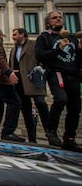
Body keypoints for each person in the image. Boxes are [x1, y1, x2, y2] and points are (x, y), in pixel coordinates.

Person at [35, 11, 82, 152]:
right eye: (54, 18)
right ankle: (51, 130)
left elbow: (78, 58)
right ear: (48, 23)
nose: (58, 19)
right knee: (61, 99)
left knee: (75, 108)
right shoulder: (45, 37)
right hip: (56, 73)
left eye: (60, 17)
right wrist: (58, 50)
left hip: (73, 75)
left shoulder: (73, 38)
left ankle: (69, 138)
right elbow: (40, 55)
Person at [0, 28, 25, 142]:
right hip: (0, 80)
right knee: (15, 102)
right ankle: (8, 131)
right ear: (1, 36)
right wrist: (8, 72)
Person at [9, 28, 49, 143]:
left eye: (15, 34)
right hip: (20, 84)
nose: (13, 37)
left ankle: (50, 132)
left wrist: (40, 71)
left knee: (41, 105)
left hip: (34, 82)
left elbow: (42, 60)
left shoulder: (34, 45)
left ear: (22, 35)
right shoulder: (13, 50)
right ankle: (32, 138)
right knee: (26, 111)